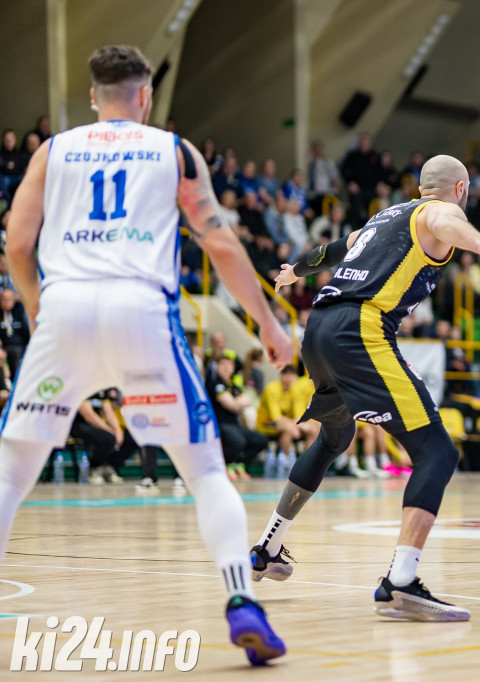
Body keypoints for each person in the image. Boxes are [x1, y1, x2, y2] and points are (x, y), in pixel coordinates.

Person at [0, 45, 291, 664]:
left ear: (92, 96)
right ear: (146, 96)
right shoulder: (174, 151)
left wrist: (35, 306)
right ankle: (241, 600)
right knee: (205, 472)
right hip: (141, 312)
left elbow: (17, 243)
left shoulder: (52, 151)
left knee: (9, 473)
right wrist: (268, 323)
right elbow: (221, 245)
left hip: (65, 308)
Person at [248, 154, 480, 621]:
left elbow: (334, 249)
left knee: (334, 438)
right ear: (460, 189)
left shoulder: (385, 217)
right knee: (437, 452)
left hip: (318, 328)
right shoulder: (441, 212)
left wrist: (296, 271)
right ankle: (401, 579)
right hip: (358, 329)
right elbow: (446, 221)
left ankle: (267, 548)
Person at [256, 365, 318, 471]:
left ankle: (307, 464)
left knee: (313, 429)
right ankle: (284, 462)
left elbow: (299, 414)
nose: (289, 379)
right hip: (267, 423)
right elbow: (276, 417)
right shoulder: (272, 389)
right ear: (281, 376)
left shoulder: (296, 390)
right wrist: (295, 425)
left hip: (290, 424)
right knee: (288, 430)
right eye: (286, 375)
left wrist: (301, 425)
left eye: (292, 375)